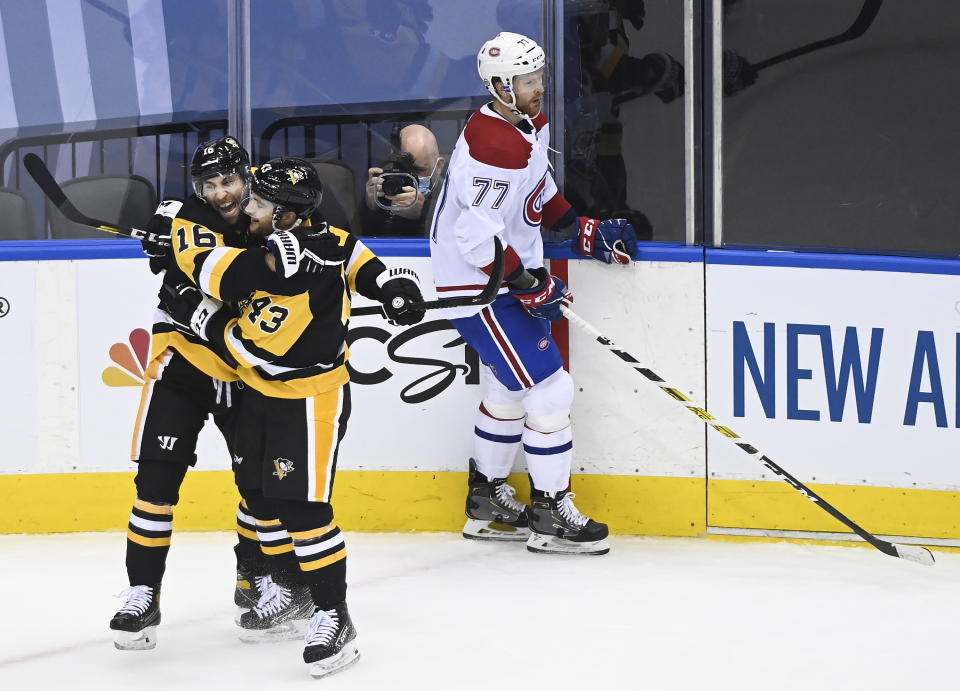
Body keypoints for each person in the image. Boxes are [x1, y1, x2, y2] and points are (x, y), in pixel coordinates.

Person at [160, 157, 425, 677]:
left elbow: (256, 349)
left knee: (304, 510)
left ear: (284, 216)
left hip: (307, 398)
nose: (245, 208)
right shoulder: (273, 243)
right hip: (260, 396)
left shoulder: (306, 267)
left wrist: (395, 284)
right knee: (262, 496)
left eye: (256, 203)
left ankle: (334, 614)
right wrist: (171, 234)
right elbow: (352, 256)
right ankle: (295, 591)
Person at [429, 32, 639, 556]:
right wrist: (528, 282)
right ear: (501, 86)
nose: (538, 88)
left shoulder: (525, 125)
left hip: (494, 279)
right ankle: (551, 512)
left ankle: (487, 502)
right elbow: (474, 237)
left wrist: (581, 229)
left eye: (539, 78)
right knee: (551, 390)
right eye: (527, 81)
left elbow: (537, 194)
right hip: (478, 285)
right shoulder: (490, 145)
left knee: (507, 392)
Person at [109, 136, 283, 650]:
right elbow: (171, 266)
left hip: (244, 371)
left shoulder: (267, 216)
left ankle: (254, 582)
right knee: (155, 485)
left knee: (258, 486)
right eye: (210, 184)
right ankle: (142, 592)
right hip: (183, 366)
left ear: (245, 177)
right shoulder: (185, 216)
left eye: (228, 180)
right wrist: (166, 251)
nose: (221, 192)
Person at [358, 124, 445, 237]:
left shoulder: (453, 196)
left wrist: (425, 212)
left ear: (438, 167)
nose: (409, 176)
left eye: (418, 170)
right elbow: (352, 241)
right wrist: (370, 207)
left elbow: (457, 241)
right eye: (402, 168)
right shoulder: (385, 187)